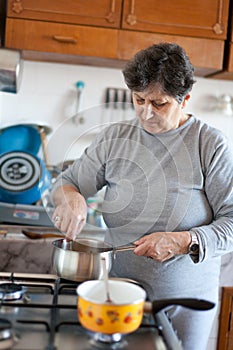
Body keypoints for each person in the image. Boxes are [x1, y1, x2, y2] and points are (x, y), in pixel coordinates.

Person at [51, 42, 233, 350]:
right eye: (138, 100)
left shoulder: (211, 145)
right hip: (119, 296)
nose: (146, 113)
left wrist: (183, 241)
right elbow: (67, 181)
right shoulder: (114, 138)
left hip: (184, 304)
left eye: (159, 103)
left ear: (185, 99)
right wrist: (71, 197)